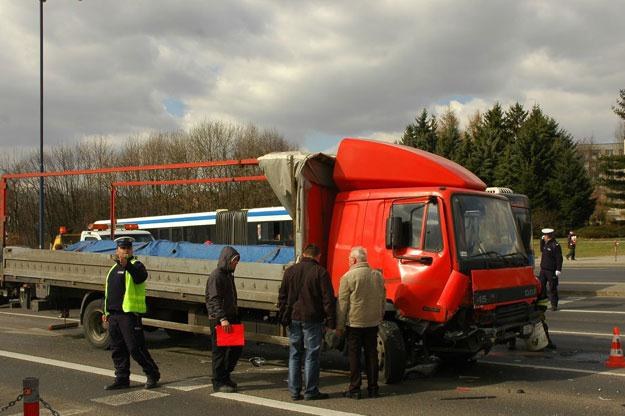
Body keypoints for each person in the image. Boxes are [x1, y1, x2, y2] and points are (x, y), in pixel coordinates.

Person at [278, 243, 336, 401]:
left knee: (294, 354)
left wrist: (283, 314)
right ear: (318, 256)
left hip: (293, 317)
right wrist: (331, 322)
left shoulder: (290, 271)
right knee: (312, 354)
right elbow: (328, 300)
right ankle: (311, 391)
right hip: (312, 318)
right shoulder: (320, 272)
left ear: (304, 254)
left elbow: (282, 295)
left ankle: (294, 391)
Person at [102, 237, 160, 390]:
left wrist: (127, 265)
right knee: (117, 349)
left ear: (132, 250)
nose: (125, 250)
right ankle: (121, 378)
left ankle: (152, 374)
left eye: (128, 248)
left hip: (129, 315)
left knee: (135, 348)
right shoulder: (113, 269)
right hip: (114, 315)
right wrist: (105, 311)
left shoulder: (136, 265)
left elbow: (140, 277)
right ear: (117, 251)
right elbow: (108, 292)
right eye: (123, 248)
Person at [336, 247, 386, 399]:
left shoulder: (348, 277)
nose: (348, 262)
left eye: (349, 259)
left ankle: (355, 388)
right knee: (372, 354)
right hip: (372, 322)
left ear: (355, 260)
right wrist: (380, 315)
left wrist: (339, 326)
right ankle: (373, 388)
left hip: (354, 323)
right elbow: (382, 298)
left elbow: (342, 305)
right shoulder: (377, 275)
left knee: (354, 356)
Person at [206, 246, 242, 393]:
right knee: (220, 352)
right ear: (227, 260)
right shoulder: (217, 276)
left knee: (235, 348)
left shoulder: (228, 275)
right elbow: (213, 300)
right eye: (234, 261)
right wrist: (222, 319)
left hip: (230, 317)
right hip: (221, 319)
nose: (236, 264)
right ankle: (218, 381)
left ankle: (225, 376)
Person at [539, 228, 563, 312]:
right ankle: (542, 304)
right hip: (543, 270)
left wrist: (558, 269)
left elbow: (559, 258)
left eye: (544, 236)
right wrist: (541, 241)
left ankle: (554, 305)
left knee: (552, 288)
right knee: (541, 287)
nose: (543, 237)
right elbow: (542, 249)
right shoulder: (546, 244)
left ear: (548, 236)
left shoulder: (555, 245)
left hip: (551, 270)